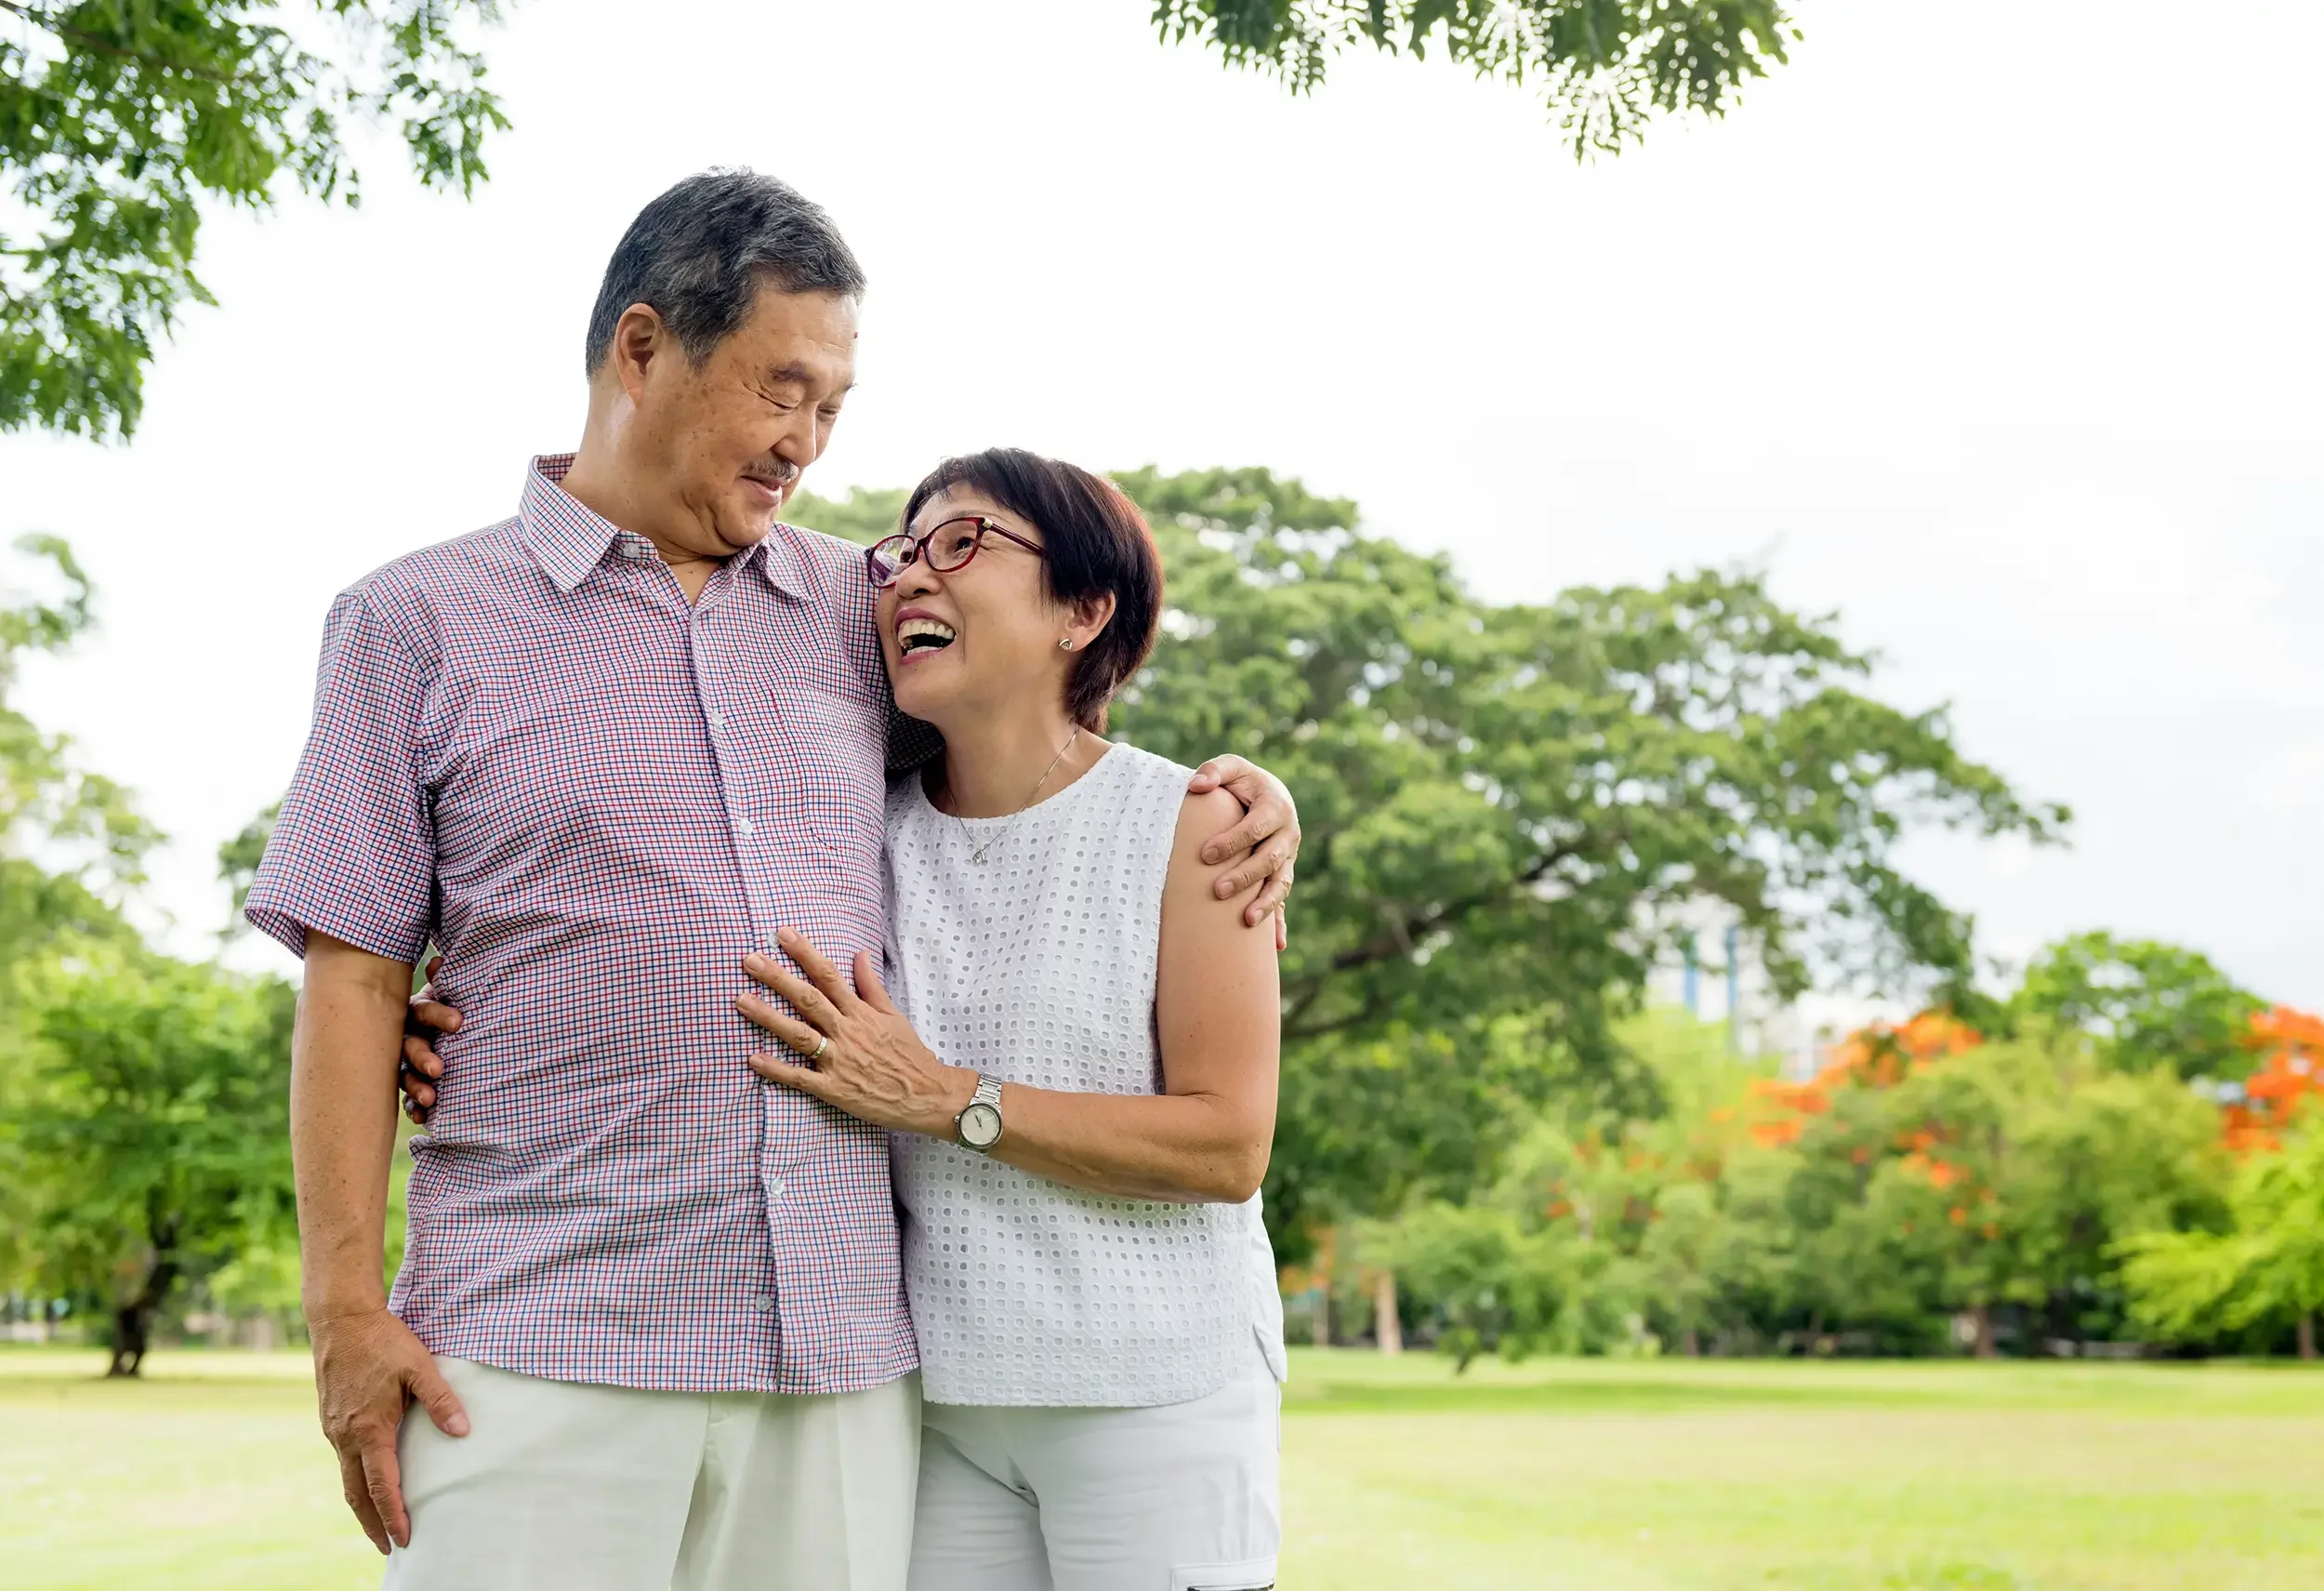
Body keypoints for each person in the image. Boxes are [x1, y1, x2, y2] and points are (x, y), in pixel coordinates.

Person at [244, 168, 1299, 1591]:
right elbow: (355, 971)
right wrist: (342, 1311)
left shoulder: (854, 613)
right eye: (779, 388)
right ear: (641, 349)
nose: (805, 440)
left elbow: (1035, 744)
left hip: (842, 1368)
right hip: (540, 1342)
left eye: (834, 406)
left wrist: (1243, 794)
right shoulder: (414, 622)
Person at [726, 448, 1287, 1591]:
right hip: (934, 1402)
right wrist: (449, 1016)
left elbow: (1228, 1144)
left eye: (963, 543)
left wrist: (949, 1100)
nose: (909, 579)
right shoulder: (853, 830)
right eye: (901, 553)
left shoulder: (1194, 824)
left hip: (1156, 1390)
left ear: (1084, 611)